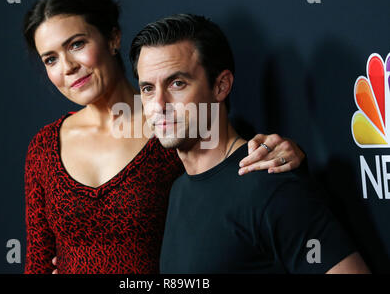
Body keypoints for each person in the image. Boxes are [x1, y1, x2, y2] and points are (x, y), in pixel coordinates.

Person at [23, 0, 305, 274]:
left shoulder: (175, 125)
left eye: (77, 44)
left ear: (112, 38)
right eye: (51, 59)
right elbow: (38, 261)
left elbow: (238, 181)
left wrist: (288, 154)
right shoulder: (45, 147)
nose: (67, 66)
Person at [129, 14, 371, 273]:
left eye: (177, 84)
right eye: (147, 89)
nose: (159, 105)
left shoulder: (270, 184)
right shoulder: (178, 189)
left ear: (221, 86)